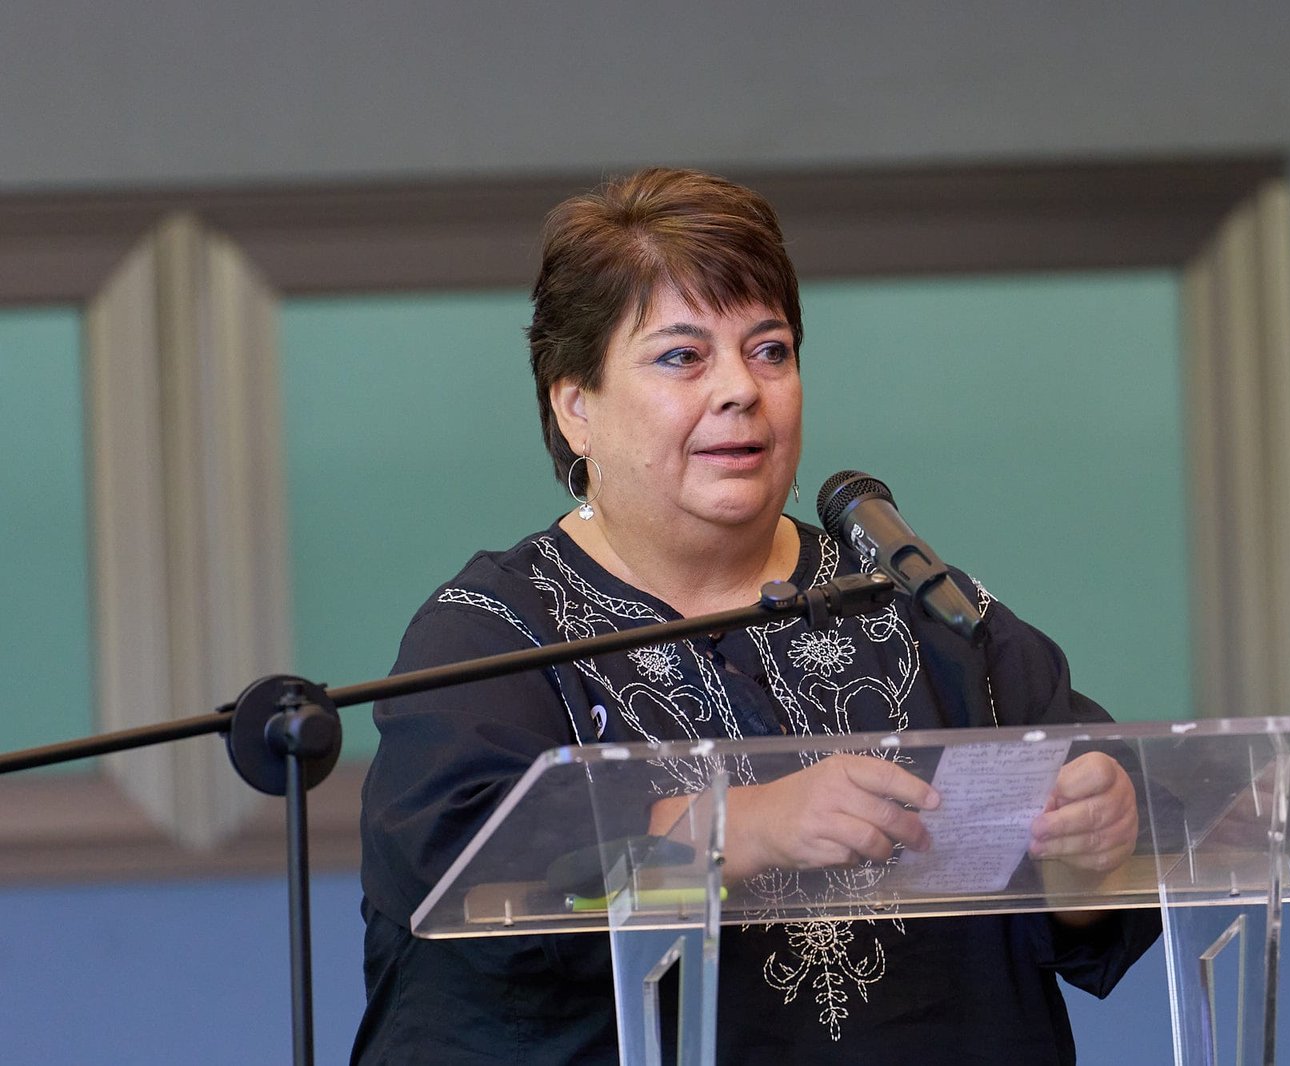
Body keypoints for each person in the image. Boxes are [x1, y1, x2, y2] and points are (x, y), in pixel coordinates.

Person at [352, 167, 1161, 1064]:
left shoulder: (924, 607)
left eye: (770, 350)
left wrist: (1091, 848)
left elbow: (1090, 884)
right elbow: (469, 879)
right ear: (576, 405)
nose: (741, 387)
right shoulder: (495, 631)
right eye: (683, 356)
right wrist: (746, 826)